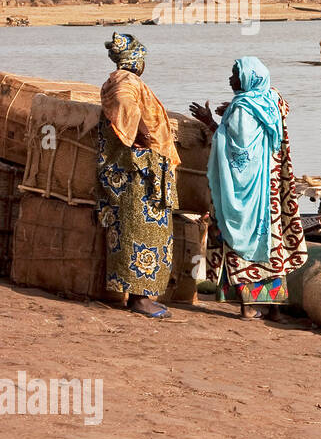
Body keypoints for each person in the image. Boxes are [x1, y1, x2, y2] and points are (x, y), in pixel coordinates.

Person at [190, 58, 308, 320]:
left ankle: (249, 307)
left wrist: (210, 121)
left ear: (248, 78)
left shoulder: (243, 109)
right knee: (271, 244)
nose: (230, 80)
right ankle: (274, 310)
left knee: (240, 242)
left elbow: (238, 152)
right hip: (272, 190)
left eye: (235, 75)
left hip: (248, 192)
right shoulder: (272, 100)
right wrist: (232, 108)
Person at [96, 33, 180, 318]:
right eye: (142, 59)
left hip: (135, 173)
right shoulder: (125, 82)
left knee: (135, 232)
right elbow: (124, 104)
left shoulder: (115, 80)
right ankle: (140, 300)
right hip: (140, 176)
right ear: (135, 60)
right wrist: (142, 133)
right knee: (144, 233)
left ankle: (138, 297)